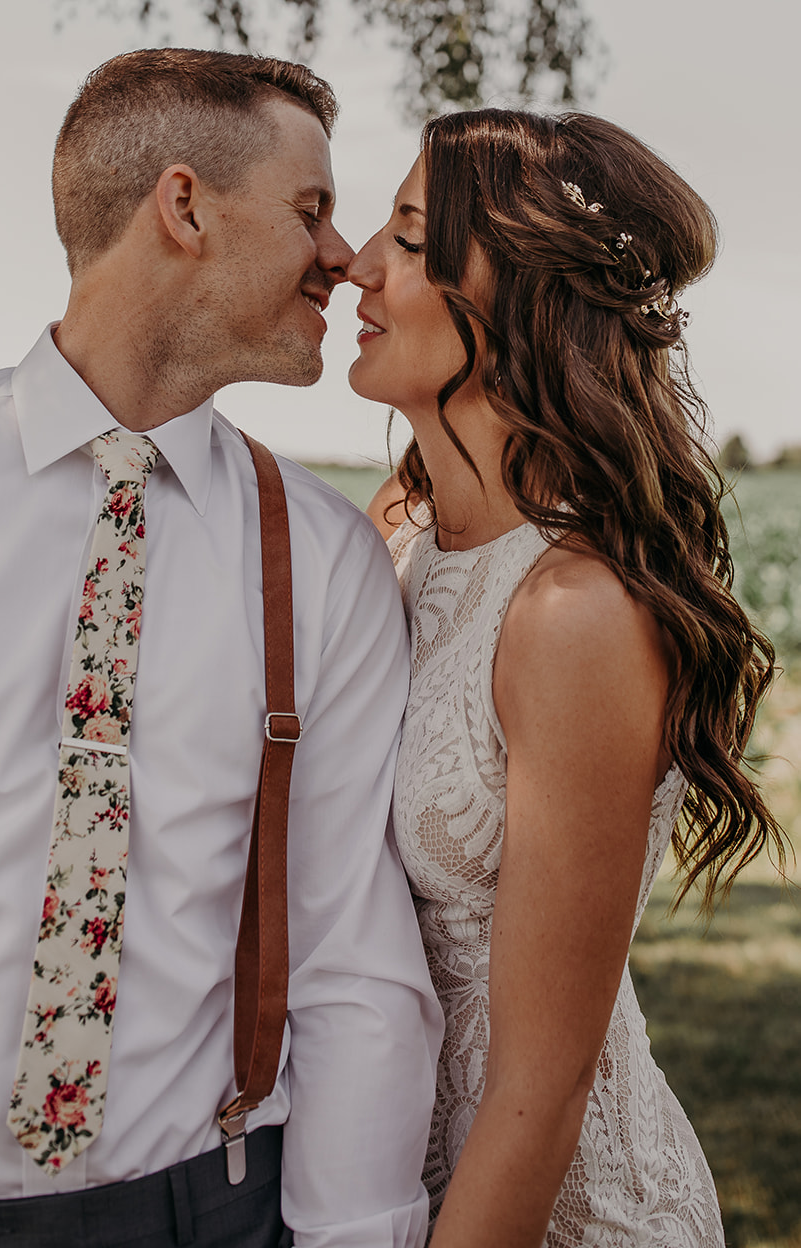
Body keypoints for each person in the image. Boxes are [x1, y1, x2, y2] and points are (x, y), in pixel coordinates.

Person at [0, 48, 442, 1248]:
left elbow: (349, 964)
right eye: (311, 211)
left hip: (207, 1215)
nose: (343, 255)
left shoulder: (318, 558)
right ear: (183, 208)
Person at [347, 108, 785, 1247]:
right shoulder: (395, 534)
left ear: (515, 298)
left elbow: (543, 1093)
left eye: (404, 236)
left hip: (556, 1210)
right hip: (388, 1187)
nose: (354, 263)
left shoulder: (572, 613)